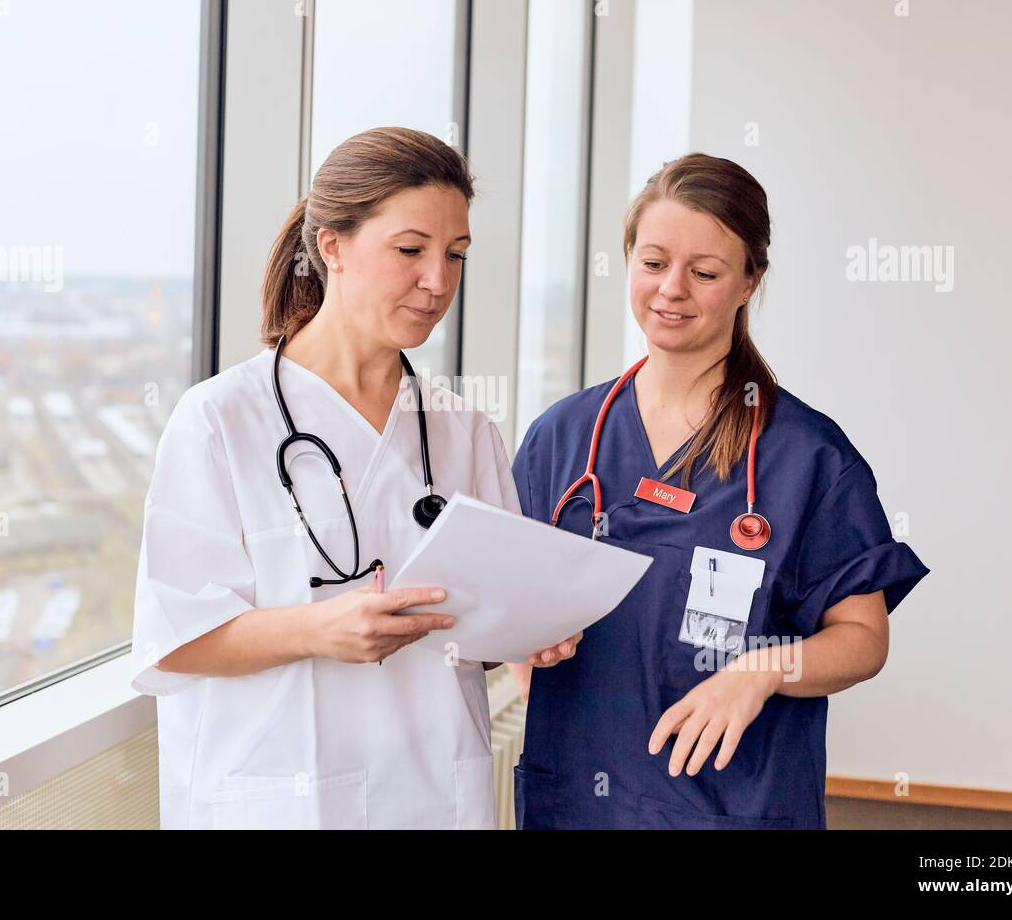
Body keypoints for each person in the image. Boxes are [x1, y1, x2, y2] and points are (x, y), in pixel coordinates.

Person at [130, 126, 570, 829]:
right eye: (410, 251)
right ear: (331, 245)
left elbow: (483, 633)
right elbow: (176, 639)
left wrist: (527, 633)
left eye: (455, 256)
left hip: (432, 792)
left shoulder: (463, 432)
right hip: (278, 796)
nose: (439, 282)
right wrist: (317, 630)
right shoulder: (219, 420)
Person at [510, 152, 930, 829]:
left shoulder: (806, 457)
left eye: (704, 273)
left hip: (732, 805)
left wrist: (761, 671)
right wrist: (522, 641)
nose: (671, 289)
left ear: (748, 282)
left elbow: (863, 638)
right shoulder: (561, 438)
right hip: (578, 797)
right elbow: (511, 603)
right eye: (652, 264)